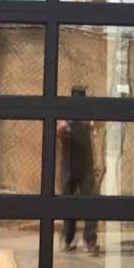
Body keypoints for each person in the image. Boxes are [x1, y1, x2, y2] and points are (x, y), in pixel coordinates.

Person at [56, 86, 99, 254]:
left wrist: (91, 122)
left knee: (91, 204)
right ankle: (67, 240)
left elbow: (99, 124)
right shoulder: (65, 116)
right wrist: (64, 125)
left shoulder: (88, 116)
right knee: (68, 203)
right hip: (69, 165)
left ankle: (89, 241)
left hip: (86, 165)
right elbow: (58, 131)